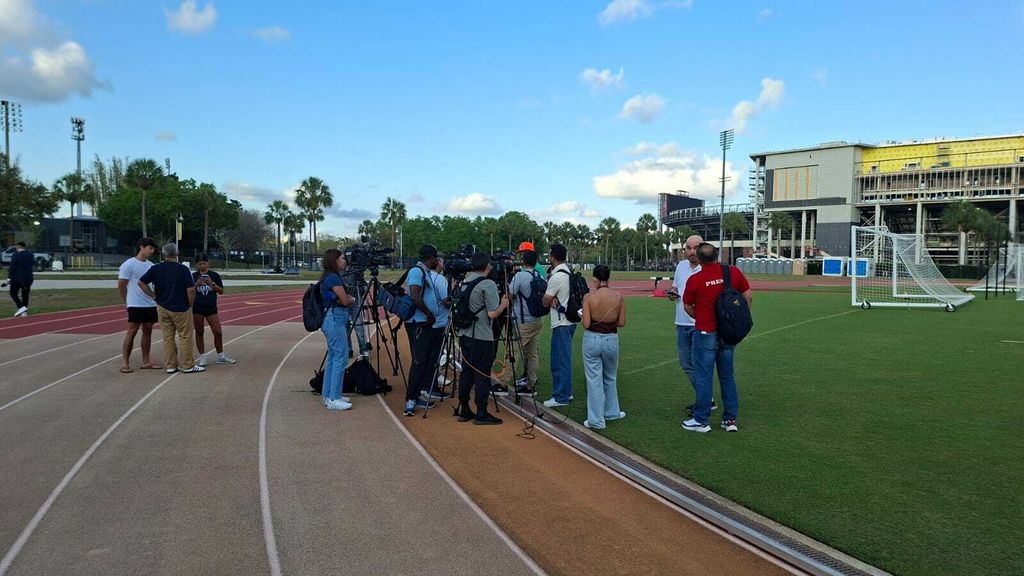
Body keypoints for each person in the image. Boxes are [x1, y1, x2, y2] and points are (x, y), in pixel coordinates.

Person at [682, 243, 752, 433]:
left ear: (699, 258)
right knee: (727, 376)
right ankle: (730, 420)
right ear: (717, 255)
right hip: (727, 334)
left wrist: (700, 317)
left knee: (704, 377)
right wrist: (737, 320)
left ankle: (701, 420)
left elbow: (687, 305)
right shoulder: (732, 272)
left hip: (705, 332)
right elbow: (748, 296)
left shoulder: (695, 279)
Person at [455, 252, 509, 425]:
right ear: (487, 266)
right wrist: (504, 304)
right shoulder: (488, 284)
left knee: (467, 372)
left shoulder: (465, 282)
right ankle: (481, 412)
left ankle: (464, 408)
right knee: (482, 374)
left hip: (465, 334)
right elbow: (493, 313)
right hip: (481, 336)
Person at [666, 234, 716, 416]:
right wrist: (672, 293)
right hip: (682, 321)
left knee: (701, 364)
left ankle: (705, 402)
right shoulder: (681, 267)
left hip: (701, 324)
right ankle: (706, 399)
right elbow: (676, 288)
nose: (692, 251)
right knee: (686, 363)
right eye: (689, 248)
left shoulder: (708, 269)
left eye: (696, 248)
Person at [138, 243, 204, 374]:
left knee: (168, 337)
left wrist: (153, 296)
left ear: (164, 254)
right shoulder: (183, 269)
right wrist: (190, 304)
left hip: (162, 307)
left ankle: (171, 365)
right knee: (185, 336)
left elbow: (141, 282)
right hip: (180, 307)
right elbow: (190, 290)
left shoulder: (156, 268)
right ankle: (187, 365)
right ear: (177, 253)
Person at [403, 244, 449, 416]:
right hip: (418, 323)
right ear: (431, 258)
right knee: (418, 361)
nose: (437, 261)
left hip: (424, 323)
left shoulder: (425, 272)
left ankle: (415, 395)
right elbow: (414, 295)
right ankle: (411, 399)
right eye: (435, 258)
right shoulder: (417, 271)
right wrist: (429, 314)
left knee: (423, 360)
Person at [581, 265, 627, 430]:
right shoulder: (618, 296)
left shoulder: (588, 297)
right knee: (610, 377)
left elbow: (586, 323)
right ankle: (611, 411)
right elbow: (621, 323)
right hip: (611, 339)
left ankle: (596, 420)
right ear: (608, 278)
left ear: (594, 279)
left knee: (594, 379)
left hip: (592, 338)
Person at [319, 248, 357, 411]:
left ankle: (329, 395)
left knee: (334, 357)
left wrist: (346, 299)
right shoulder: (333, 278)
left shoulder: (327, 277)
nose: (345, 261)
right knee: (340, 357)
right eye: (342, 259)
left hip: (331, 318)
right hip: (335, 319)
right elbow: (344, 300)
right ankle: (333, 398)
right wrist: (351, 299)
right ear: (335, 261)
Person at [117, 238, 160, 373]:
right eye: (150, 248)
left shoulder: (151, 265)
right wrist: (127, 302)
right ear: (142, 247)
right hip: (135, 304)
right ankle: (125, 362)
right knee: (132, 331)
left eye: (153, 249)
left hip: (150, 304)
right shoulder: (129, 264)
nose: (152, 251)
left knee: (148, 330)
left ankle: (146, 361)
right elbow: (121, 285)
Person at [505, 249, 544, 396]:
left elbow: (510, 294)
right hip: (536, 320)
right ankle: (531, 384)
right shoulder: (538, 275)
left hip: (522, 321)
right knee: (532, 353)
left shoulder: (520, 276)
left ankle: (504, 382)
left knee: (513, 352)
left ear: (523, 261)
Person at [542, 243, 575, 408]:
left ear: (552, 257)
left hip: (561, 322)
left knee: (559, 360)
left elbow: (545, 300)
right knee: (565, 359)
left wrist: (551, 301)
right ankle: (566, 392)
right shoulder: (569, 272)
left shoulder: (556, 276)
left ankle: (560, 396)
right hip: (569, 321)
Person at [191, 254, 236, 367]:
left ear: (208, 263)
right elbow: (189, 291)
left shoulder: (214, 275)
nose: (202, 266)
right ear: (196, 264)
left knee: (218, 332)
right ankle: (202, 357)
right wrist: (197, 284)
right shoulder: (193, 276)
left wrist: (212, 284)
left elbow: (221, 291)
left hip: (211, 308)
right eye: (200, 264)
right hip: (197, 308)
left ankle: (221, 356)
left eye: (204, 263)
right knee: (199, 331)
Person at [5, 242, 34, 317]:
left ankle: (21, 307)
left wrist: (9, 279)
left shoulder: (16, 255)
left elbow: (12, 268)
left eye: (16, 248)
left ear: (18, 247)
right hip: (28, 278)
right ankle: (24, 312)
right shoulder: (31, 255)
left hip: (17, 279)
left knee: (13, 293)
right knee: (25, 295)